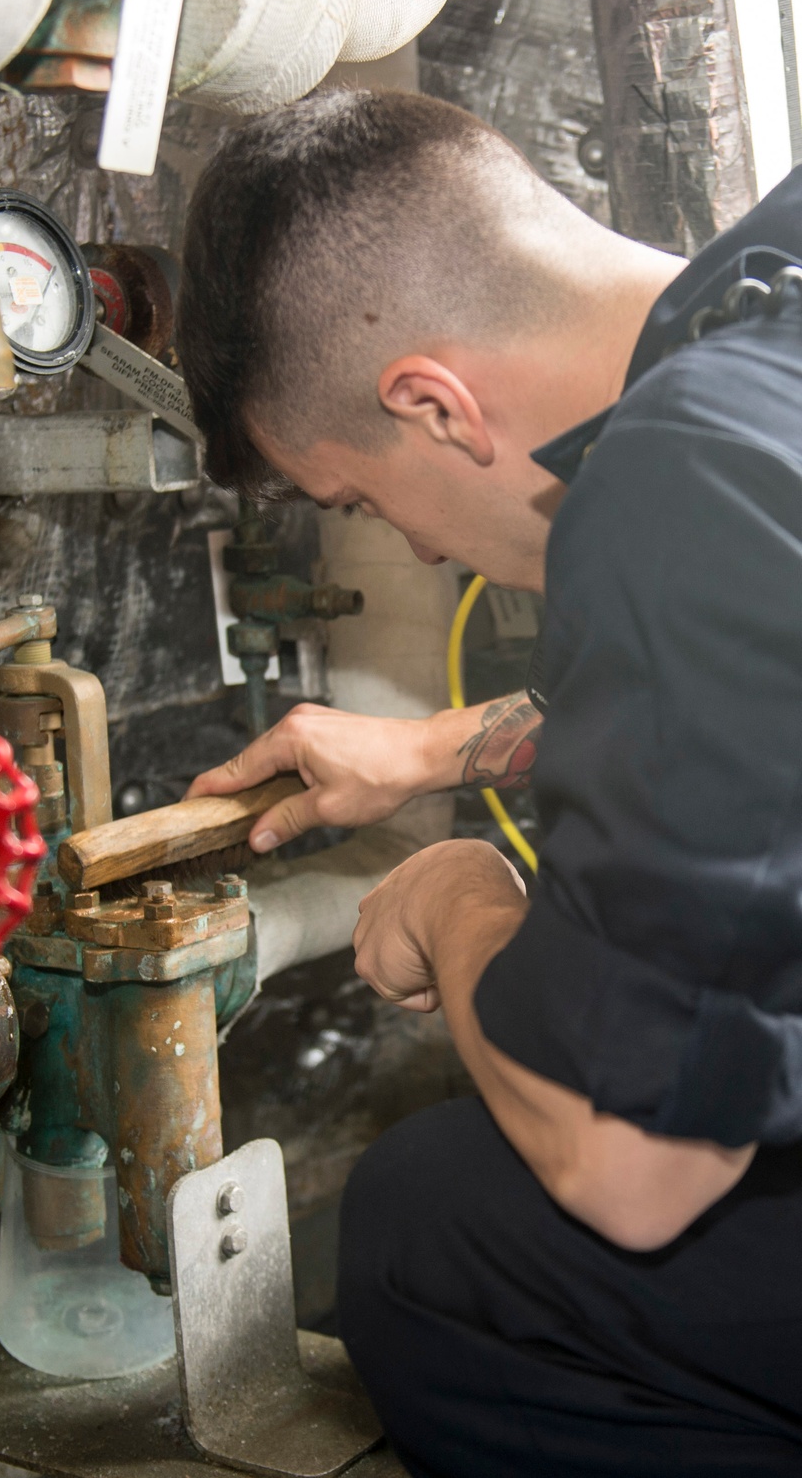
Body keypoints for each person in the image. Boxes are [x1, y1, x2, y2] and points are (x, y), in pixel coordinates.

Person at [177, 91, 802, 1474]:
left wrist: (461, 896)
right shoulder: (775, 301)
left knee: (436, 1233)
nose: (413, 546)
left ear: (434, 404)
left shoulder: (671, 485)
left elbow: (632, 1170)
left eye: (356, 503)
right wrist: (436, 750)